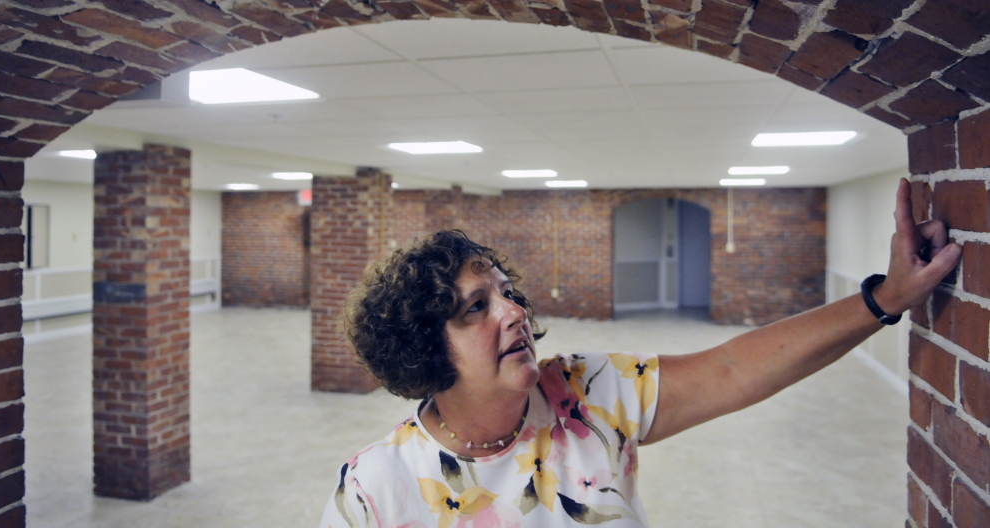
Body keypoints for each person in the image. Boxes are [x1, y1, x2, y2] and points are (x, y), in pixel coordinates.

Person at [318, 179, 961, 527]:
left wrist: (887, 299)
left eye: (507, 293)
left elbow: (736, 369)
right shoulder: (377, 488)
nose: (515, 310)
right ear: (423, 347)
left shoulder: (585, 394)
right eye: (476, 307)